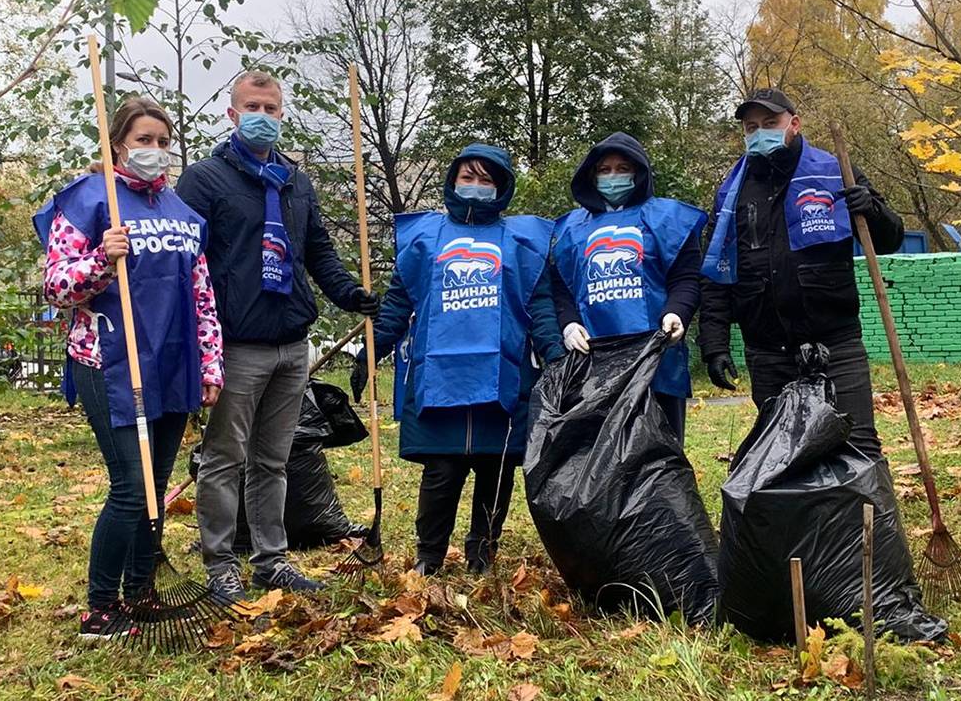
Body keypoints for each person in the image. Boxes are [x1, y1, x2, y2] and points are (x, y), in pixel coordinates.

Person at [175, 71, 379, 601]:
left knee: (274, 459)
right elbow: (184, 263)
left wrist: (352, 295)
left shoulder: (295, 182)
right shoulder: (204, 181)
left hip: (292, 343)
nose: (263, 116)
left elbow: (319, 254)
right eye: (253, 106)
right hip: (237, 345)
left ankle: (272, 560)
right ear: (232, 113)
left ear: (282, 114)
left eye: (272, 108)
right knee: (224, 459)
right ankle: (220, 566)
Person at [32, 96, 223, 640]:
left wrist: (211, 365)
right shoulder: (88, 201)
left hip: (170, 361)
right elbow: (56, 287)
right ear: (117, 142)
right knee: (129, 484)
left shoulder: (183, 215)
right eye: (143, 141)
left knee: (155, 486)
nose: (155, 152)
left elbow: (201, 294)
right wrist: (100, 259)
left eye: (163, 143)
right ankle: (99, 608)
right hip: (108, 360)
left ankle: (140, 592)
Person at [349, 144, 563, 576]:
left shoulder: (523, 242)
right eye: (468, 177)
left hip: (504, 377)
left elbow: (539, 308)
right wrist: (370, 353)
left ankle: (482, 553)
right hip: (439, 380)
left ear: (501, 188)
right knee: (441, 473)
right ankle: (429, 556)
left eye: (487, 179)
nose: (476, 186)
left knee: (495, 470)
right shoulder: (425, 239)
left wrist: (557, 358)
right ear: (453, 181)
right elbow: (398, 302)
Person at [698, 88, 904, 462]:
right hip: (768, 351)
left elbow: (890, 240)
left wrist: (871, 208)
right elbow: (717, 271)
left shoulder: (835, 172)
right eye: (751, 127)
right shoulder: (732, 193)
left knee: (859, 447)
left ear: (794, 124)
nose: (761, 132)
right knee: (785, 454)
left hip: (836, 344)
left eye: (770, 123)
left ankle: (871, 523)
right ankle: (803, 523)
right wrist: (714, 343)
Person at [549, 132, 708, 441]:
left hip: (655, 357)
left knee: (660, 455)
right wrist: (568, 324)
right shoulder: (569, 229)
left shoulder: (667, 218)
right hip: (593, 361)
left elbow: (686, 278)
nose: (613, 176)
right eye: (604, 170)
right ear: (592, 176)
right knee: (600, 458)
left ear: (639, 172)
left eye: (623, 169)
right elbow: (560, 288)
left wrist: (678, 313)